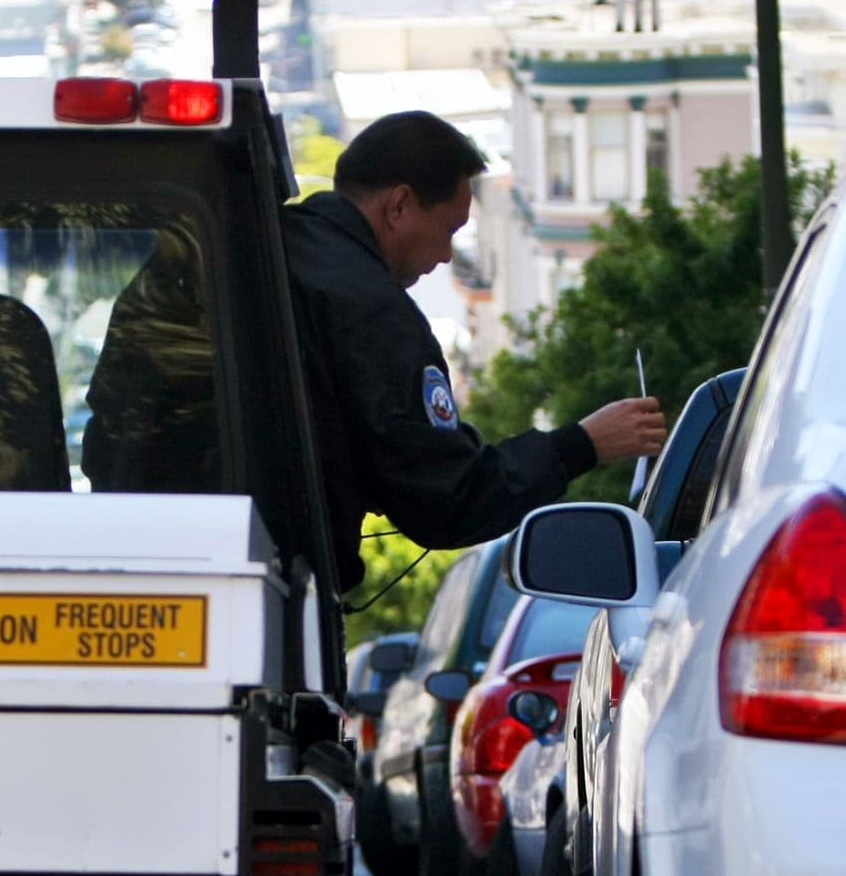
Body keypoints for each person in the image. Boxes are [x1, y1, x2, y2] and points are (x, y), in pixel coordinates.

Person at [284, 111, 667, 593]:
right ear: (399, 205)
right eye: (447, 228)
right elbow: (447, 499)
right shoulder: (374, 314)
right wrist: (581, 444)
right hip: (291, 588)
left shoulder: (278, 246)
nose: (446, 256)